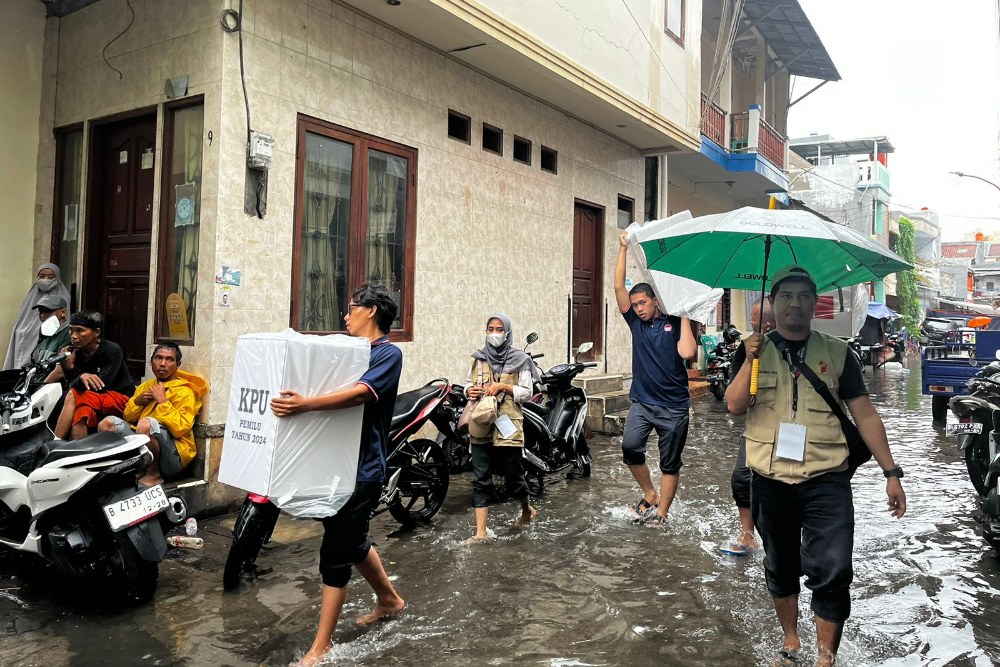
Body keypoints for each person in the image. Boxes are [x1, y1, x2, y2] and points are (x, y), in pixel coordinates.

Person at [725, 265, 906, 667]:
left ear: (815, 304)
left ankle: (825, 658)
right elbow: (735, 406)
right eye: (786, 296)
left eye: (804, 296)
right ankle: (791, 642)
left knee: (834, 567)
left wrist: (891, 473)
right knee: (780, 565)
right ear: (771, 303)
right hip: (770, 478)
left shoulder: (839, 353)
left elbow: (866, 416)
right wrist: (748, 358)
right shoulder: (752, 349)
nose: (795, 303)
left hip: (828, 478)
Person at [269, 284, 406, 667]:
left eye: (351, 309)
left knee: (335, 552)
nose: (345, 316)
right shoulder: (345, 351)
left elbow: (362, 393)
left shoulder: (388, 353)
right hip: (334, 466)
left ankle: (321, 647)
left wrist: (306, 405)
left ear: (373, 311)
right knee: (351, 539)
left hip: (362, 469)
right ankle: (390, 600)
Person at [614, 231, 697, 526]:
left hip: (674, 406)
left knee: (669, 462)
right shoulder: (635, 323)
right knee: (630, 447)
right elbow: (617, 288)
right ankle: (650, 493)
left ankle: (661, 513)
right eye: (635, 304)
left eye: (642, 303)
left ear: (655, 301)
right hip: (643, 402)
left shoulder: (674, 322)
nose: (637, 307)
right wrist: (623, 248)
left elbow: (687, 353)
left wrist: (685, 316)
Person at [464, 313, 539, 544]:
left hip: (508, 422)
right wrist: (470, 391)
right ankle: (480, 533)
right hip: (482, 421)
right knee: (480, 477)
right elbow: (468, 382)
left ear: (507, 332)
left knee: (512, 473)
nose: (494, 333)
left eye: (499, 329)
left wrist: (504, 387)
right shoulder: (478, 358)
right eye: (490, 329)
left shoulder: (520, 359)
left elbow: (527, 392)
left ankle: (527, 509)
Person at [97, 343, 207, 486]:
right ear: (151, 361)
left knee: (145, 424)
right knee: (107, 424)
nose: (162, 364)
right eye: (158, 358)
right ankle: (122, 468)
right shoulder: (146, 386)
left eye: (169, 360)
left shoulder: (185, 392)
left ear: (177, 364)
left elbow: (181, 429)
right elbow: (128, 418)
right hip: (145, 448)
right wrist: (138, 402)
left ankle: (154, 474)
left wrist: (163, 402)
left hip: (174, 457)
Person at [724, 299, 775, 554]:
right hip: (758, 424)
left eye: (755, 320)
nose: (752, 324)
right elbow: (734, 402)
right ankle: (747, 533)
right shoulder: (746, 349)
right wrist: (749, 359)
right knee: (742, 478)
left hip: (791, 429)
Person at [45, 311, 135, 441]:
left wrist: (78, 374)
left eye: (80, 331)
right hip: (89, 398)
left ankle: (54, 443)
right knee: (80, 413)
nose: (73, 336)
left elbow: (101, 386)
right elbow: (72, 382)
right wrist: (69, 367)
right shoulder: (75, 353)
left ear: (96, 333)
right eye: (71, 331)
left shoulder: (113, 351)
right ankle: (78, 455)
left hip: (119, 397)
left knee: (72, 395)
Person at [4, 263, 72, 370]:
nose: (45, 280)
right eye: (42, 276)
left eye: (50, 277)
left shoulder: (62, 298)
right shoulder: (31, 296)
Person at [31, 294, 71, 363]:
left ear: (63, 312)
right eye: (40, 311)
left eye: (48, 311)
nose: (42, 315)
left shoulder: (69, 333)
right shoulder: (44, 332)